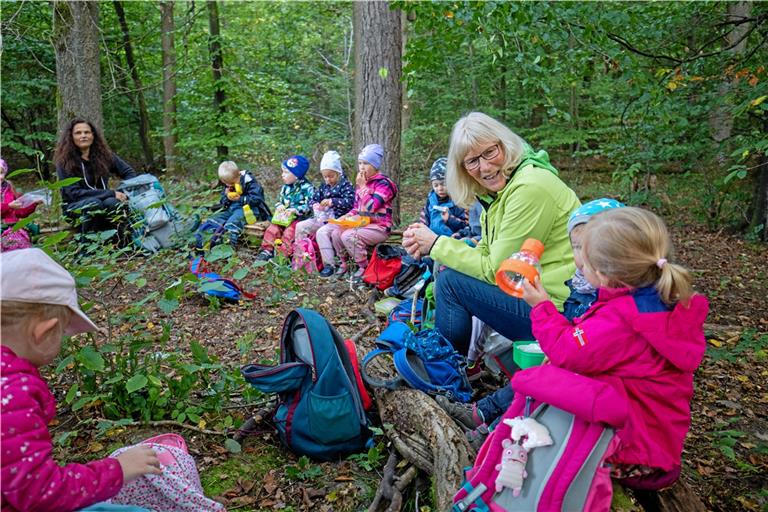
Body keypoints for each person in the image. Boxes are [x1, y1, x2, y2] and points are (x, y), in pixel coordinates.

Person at [522, 207, 708, 488]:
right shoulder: (663, 301)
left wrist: (541, 307)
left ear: (604, 275)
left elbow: (566, 352)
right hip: (658, 440)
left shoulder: (621, 320)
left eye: (584, 262)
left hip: (633, 454)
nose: (580, 266)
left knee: (535, 397)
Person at [436, 198, 625, 448]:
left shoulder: (615, 306)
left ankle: (494, 435)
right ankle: (480, 413)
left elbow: (580, 351)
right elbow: (570, 334)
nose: (582, 257)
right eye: (577, 247)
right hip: (576, 367)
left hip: (603, 401)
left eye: (592, 249)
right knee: (539, 375)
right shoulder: (582, 287)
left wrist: (542, 308)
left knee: (543, 381)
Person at [402, 112, 581, 355]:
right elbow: (487, 251)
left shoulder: (529, 188)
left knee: (450, 284)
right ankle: (454, 362)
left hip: (560, 309)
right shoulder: (497, 195)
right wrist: (437, 245)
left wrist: (436, 245)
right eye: (472, 161)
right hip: (538, 296)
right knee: (449, 273)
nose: (485, 167)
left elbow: (496, 270)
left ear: (505, 146)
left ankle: (445, 369)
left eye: (490, 152)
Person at [0, 248, 163, 511]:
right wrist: (118, 469)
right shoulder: (14, 392)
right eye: (63, 332)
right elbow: (39, 492)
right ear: (44, 333)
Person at [315, 144, 397, 280]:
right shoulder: (363, 183)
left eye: (366, 163)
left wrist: (363, 186)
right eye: (360, 163)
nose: (362, 167)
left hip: (379, 227)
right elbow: (356, 208)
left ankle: (363, 267)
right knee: (336, 233)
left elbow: (372, 207)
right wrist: (347, 216)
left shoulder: (384, 184)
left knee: (348, 236)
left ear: (375, 165)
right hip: (363, 224)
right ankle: (344, 263)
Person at [54, 118, 137, 235]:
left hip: (104, 202)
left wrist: (123, 192)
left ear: (93, 135)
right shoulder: (64, 161)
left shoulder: (104, 156)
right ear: (71, 137)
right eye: (78, 133)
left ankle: (122, 245)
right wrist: (110, 193)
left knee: (113, 203)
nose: (83, 136)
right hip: (75, 207)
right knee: (94, 204)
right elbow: (73, 193)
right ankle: (87, 249)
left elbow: (128, 172)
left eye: (87, 132)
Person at [293, 151, 355, 272]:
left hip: (339, 220)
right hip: (322, 218)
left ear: (338, 173)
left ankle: (329, 264)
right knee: (300, 226)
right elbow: (312, 200)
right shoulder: (324, 186)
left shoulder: (346, 185)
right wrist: (315, 205)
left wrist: (333, 201)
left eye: (331, 176)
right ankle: (300, 258)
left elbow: (351, 202)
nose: (328, 180)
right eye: (325, 176)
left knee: (322, 232)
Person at [194, 161, 270, 249]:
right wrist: (227, 197)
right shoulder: (228, 184)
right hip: (231, 210)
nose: (230, 185)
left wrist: (240, 198)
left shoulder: (249, 181)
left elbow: (257, 199)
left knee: (231, 224)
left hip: (249, 210)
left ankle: (229, 248)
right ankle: (209, 242)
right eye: (227, 183)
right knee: (214, 220)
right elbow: (223, 202)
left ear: (238, 174)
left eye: (232, 183)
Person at [256, 155, 314, 261]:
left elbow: (310, 206)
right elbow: (279, 200)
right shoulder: (285, 187)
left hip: (299, 218)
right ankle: (267, 250)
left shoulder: (307, 188)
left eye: (286, 172)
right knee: (272, 229)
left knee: (289, 233)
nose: (282, 175)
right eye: (283, 172)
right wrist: (280, 206)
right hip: (283, 217)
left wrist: (296, 210)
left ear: (296, 175)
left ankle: (282, 256)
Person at [419, 157, 468, 237]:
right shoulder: (431, 200)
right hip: (432, 239)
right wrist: (422, 229)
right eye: (436, 185)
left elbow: (465, 225)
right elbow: (424, 218)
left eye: (443, 184)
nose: (440, 188)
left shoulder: (458, 201)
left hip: (451, 240)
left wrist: (450, 219)